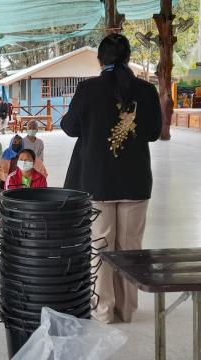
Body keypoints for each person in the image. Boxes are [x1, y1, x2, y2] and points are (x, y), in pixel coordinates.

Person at [61, 34, 162, 324]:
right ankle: (128, 310)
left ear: (100, 59)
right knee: (131, 247)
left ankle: (103, 311)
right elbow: (154, 133)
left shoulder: (88, 89)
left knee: (100, 247)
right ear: (128, 58)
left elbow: (69, 127)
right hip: (136, 181)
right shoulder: (146, 90)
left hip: (97, 181)